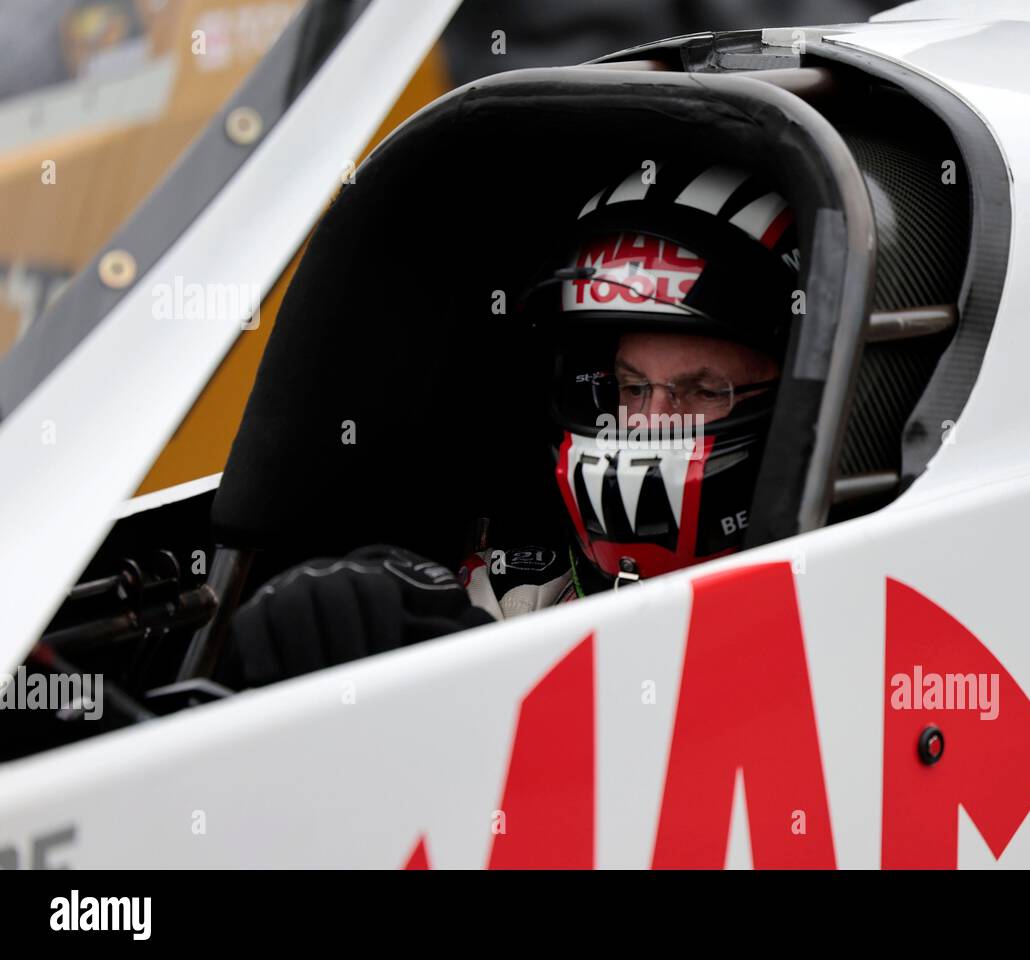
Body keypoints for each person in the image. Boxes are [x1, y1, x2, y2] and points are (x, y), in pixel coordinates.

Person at [219, 163, 799, 687]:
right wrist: (365, 621)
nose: (648, 425)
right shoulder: (519, 600)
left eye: (701, 391)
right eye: (632, 387)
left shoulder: (854, 598)